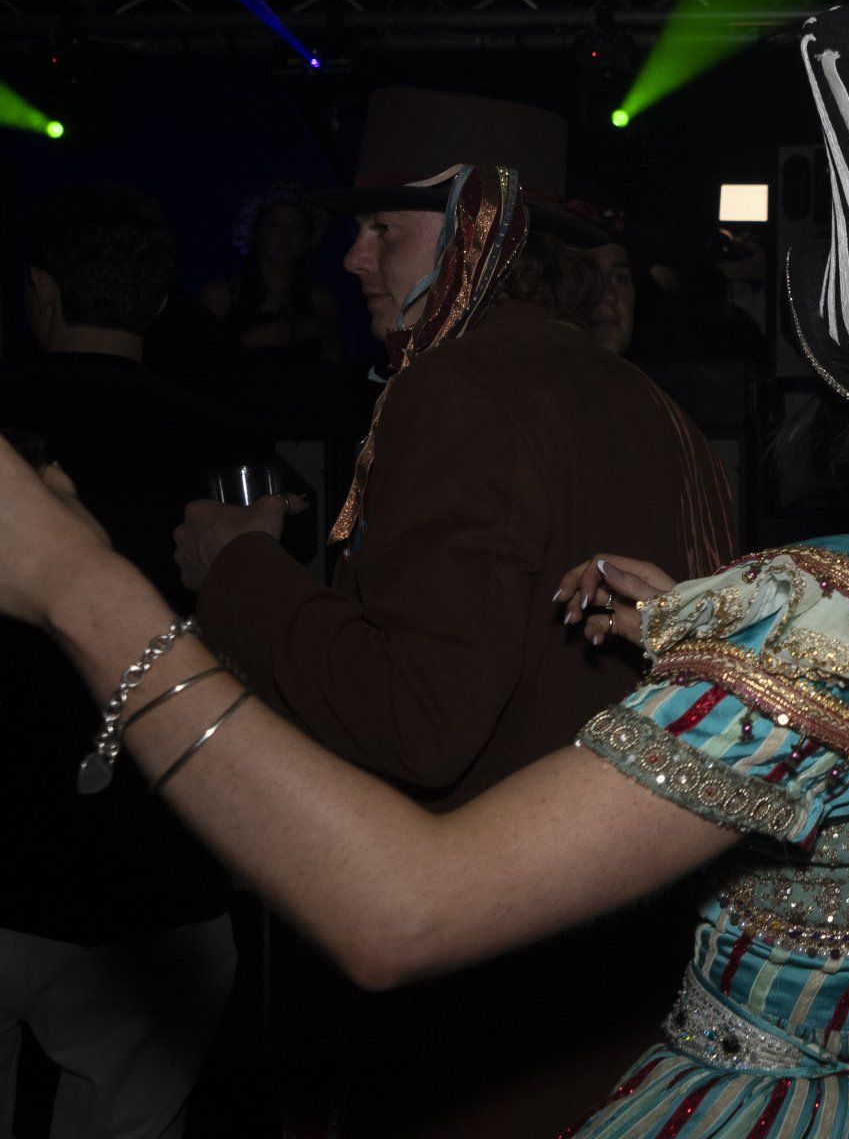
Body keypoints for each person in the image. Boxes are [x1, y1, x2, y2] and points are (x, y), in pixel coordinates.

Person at [0, 0, 849, 1139]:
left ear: (835, 349)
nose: (354, 256)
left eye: (386, 228)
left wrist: (78, 584)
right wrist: (714, 635)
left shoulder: (818, 628)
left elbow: (401, 909)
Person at [169, 89, 738, 1139]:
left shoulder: (461, 388)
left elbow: (414, 719)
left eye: (384, 229)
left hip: (485, 1010)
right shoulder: (655, 408)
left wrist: (237, 570)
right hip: (626, 1001)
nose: (352, 258)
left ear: (484, 230)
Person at [1, 187, 269, 1139]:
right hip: (155, 868)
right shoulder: (229, 447)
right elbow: (272, 644)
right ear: (156, 304)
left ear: (40, 291)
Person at [201, 187, 342, 362]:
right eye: (275, 224)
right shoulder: (220, 296)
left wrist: (321, 331)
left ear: (307, 239)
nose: (286, 235)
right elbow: (199, 359)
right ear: (257, 231)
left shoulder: (321, 302)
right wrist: (246, 341)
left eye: (297, 228)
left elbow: (334, 365)